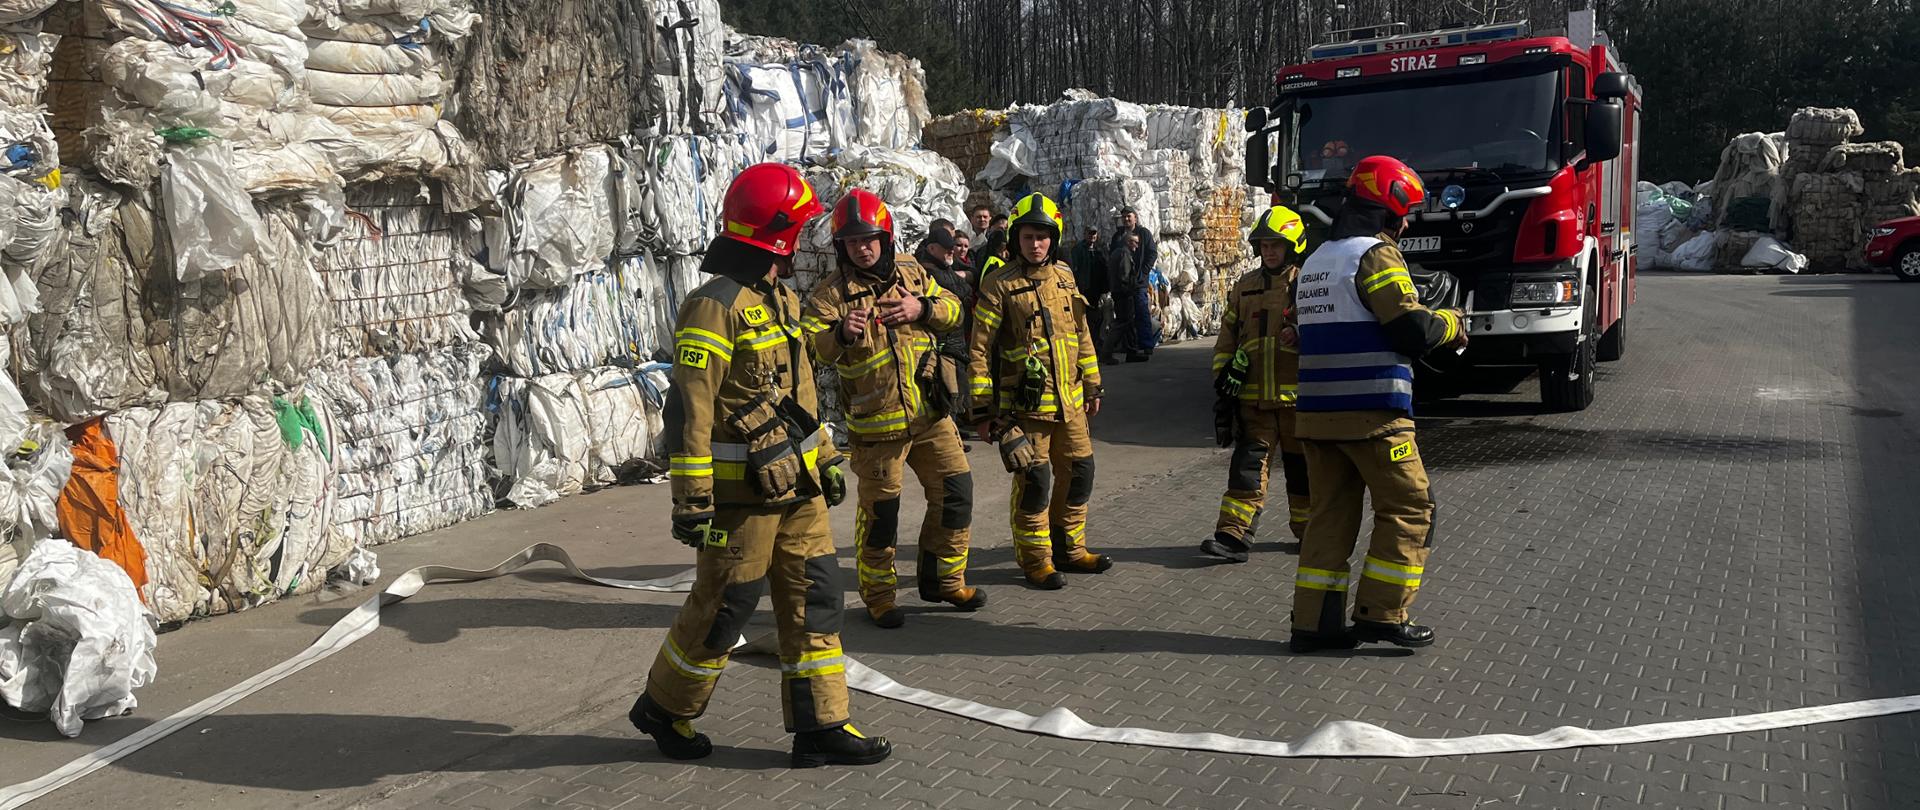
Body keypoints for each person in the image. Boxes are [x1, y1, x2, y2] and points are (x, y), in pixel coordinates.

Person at [632, 163, 892, 768]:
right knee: (723, 609)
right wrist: (691, 500)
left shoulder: (781, 298)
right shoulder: (713, 307)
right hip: (742, 501)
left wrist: (826, 459)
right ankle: (664, 707)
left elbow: (798, 397)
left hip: (798, 491)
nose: (802, 241)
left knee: (816, 599)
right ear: (778, 234)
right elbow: (691, 408)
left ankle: (822, 725)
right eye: (798, 230)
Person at [1289, 155, 1468, 654]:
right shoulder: (1375, 256)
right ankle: (1382, 613)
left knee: (1329, 518)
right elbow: (1411, 329)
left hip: (1316, 418)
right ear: (1387, 211)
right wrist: (1453, 323)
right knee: (1411, 507)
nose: (1405, 225)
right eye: (1402, 215)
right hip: (1374, 416)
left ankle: (1314, 626)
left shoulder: (1316, 261)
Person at [802, 189, 983, 630]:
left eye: (869, 239)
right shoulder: (830, 296)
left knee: (956, 494)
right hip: (876, 430)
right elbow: (809, 350)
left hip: (930, 416)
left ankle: (945, 580)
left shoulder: (913, 272)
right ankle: (880, 597)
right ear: (841, 247)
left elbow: (955, 309)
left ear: (885, 237)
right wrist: (840, 334)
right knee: (881, 519)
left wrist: (922, 308)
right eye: (851, 242)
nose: (861, 249)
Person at [967, 193, 1114, 589]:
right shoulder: (999, 285)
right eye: (1028, 237)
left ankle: (1071, 549)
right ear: (1016, 239)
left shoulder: (1065, 275)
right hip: (1026, 411)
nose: (1036, 244)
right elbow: (979, 351)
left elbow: (1082, 335)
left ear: (1054, 238)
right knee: (1035, 484)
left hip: (1071, 404)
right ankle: (1037, 561)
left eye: (1043, 237)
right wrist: (983, 412)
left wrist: (1093, 384)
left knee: (1080, 473)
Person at [1202, 206, 1312, 564]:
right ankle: (1232, 537)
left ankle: (1312, 534)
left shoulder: (1308, 284)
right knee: (1246, 471)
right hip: (1254, 402)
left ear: (1293, 246)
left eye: (1276, 245)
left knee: (1303, 473)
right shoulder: (1245, 286)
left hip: (1297, 403)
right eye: (1264, 245)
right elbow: (1227, 336)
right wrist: (1222, 379)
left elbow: (1326, 330)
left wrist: (1300, 334)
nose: (1269, 251)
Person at [1105, 232, 1147, 363]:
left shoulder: (1118, 252)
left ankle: (1131, 352)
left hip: (1120, 293)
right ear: (1128, 242)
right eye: (1135, 242)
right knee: (1121, 324)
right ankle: (1106, 354)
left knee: (1128, 324)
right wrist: (1131, 289)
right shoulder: (1124, 254)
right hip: (1123, 294)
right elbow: (1125, 276)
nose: (1137, 246)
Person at [1068, 226, 1108, 352]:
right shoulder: (1078, 250)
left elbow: (1104, 269)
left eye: (1094, 233)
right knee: (1086, 319)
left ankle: (1095, 343)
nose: (1092, 236)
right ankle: (1088, 346)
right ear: (1085, 234)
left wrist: (1105, 289)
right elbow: (1074, 269)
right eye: (1090, 233)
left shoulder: (1099, 250)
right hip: (1085, 289)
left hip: (1097, 290)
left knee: (1098, 318)